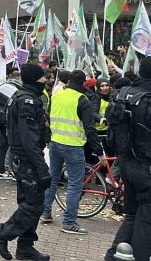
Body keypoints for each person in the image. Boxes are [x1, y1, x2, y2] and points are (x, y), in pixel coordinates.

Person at [0, 64, 51, 261]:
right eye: (42, 78)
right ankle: (1, 234)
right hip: (27, 159)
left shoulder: (26, 98)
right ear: (35, 79)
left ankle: (25, 248)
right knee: (33, 205)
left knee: (31, 203)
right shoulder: (27, 101)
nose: (45, 81)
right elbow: (28, 138)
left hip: (25, 158)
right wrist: (41, 168)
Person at [41, 70, 103, 235]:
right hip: (74, 147)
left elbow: (48, 119)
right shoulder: (82, 100)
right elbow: (90, 129)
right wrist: (99, 151)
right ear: (83, 83)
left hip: (55, 143)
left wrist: (48, 138)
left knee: (52, 179)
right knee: (75, 185)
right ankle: (68, 222)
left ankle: (45, 213)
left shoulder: (56, 96)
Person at [103, 57, 151, 261]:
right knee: (146, 218)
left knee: (132, 213)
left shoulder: (124, 92)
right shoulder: (148, 97)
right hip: (145, 165)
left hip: (126, 162)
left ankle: (113, 255)